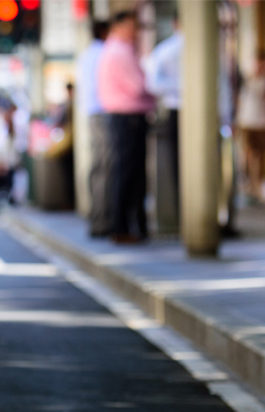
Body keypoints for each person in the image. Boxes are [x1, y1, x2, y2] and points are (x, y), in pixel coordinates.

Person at [97, 10, 155, 243]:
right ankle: (123, 226)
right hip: (127, 118)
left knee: (128, 173)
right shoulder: (120, 52)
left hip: (125, 118)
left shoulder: (116, 50)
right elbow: (139, 85)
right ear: (119, 26)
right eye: (132, 26)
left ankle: (130, 225)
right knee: (129, 174)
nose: (135, 32)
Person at [145, 16, 183, 216]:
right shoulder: (167, 50)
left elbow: (153, 83)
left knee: (176, 164)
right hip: (180, 110)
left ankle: (180, 210)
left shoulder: (164, 50)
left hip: (175, 109)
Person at [77, 21, 111, 236]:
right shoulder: (103, 54)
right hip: (103, 111)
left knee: (98, 165)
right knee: (105, 166)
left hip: (92, 112)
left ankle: (97, 216)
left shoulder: (87, 54)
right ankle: (102, 219)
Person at [236, 51, 265, 202]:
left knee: (259, 154)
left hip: (262, 121)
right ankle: (249, 184)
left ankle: (257, 184)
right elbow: (239, 100)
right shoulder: (246, 80)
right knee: (248, 153)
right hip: (247, 121)